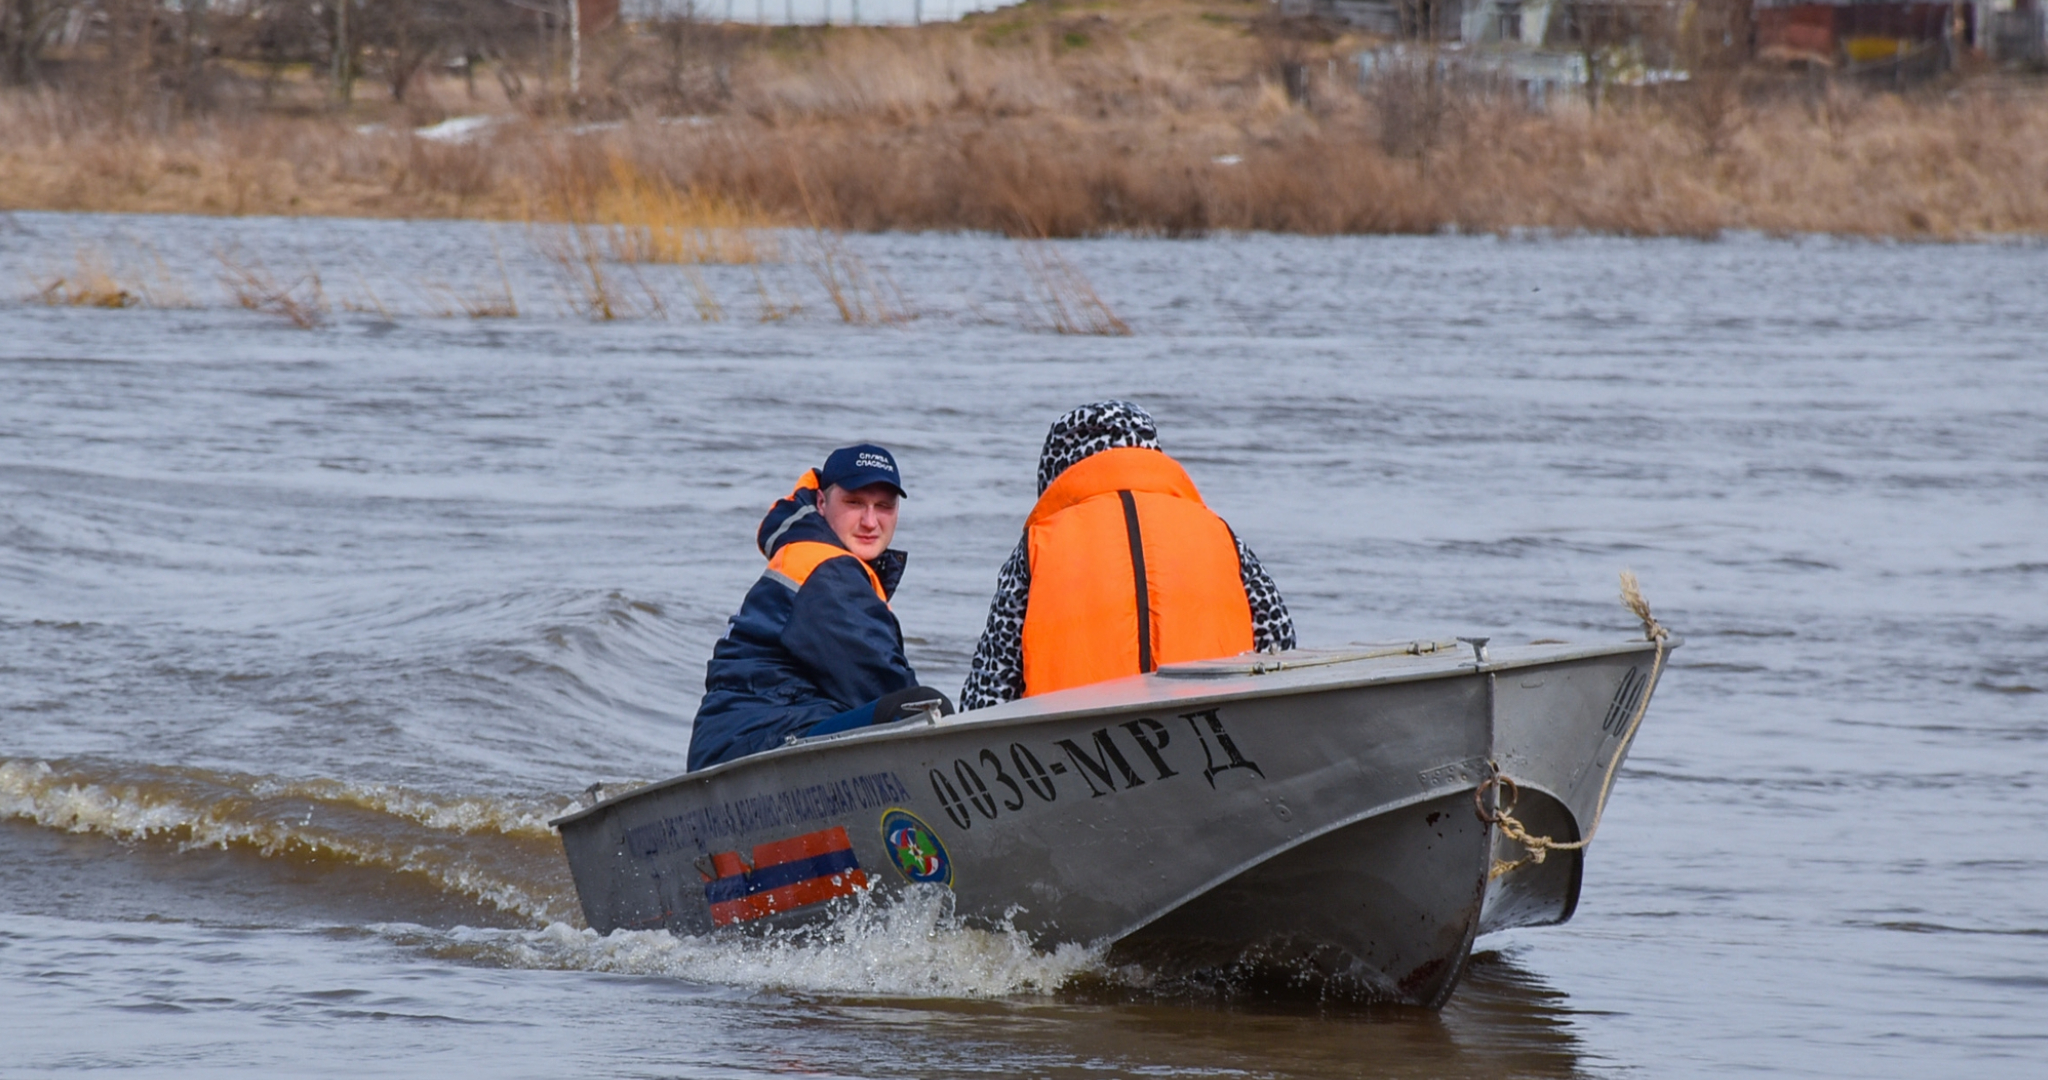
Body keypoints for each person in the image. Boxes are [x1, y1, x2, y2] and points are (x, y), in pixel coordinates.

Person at [960, 401, 1296, 710]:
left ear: (1054, 467)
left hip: (1076, 743)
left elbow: (990, 688)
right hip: (1213, 732)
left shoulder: (1036, 546)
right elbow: (1279, 644)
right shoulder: (1220, 534)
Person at [688, 444, 952, 771]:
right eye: (854, 503)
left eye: (884, 506)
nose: (870, 521)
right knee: (919, 708)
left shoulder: (824, 560)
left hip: (759, 734)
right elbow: (883, 684)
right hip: (748, 747)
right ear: (822, 503)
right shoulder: (824, 570)